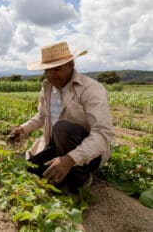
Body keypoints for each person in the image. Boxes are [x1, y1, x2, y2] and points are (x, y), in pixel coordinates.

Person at [8, 41, 114, 193]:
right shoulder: (47, 87)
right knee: (30, 171)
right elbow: (42, 116)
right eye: (47, 70)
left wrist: (70, 159)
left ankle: (80, 178)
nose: (51, 74)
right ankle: (63, 170)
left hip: (88, 153)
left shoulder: (91, 89)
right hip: (57, 145)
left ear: (71, 64)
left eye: (56, 69)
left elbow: (103, 133)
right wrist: (22, 129)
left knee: (62, 128)